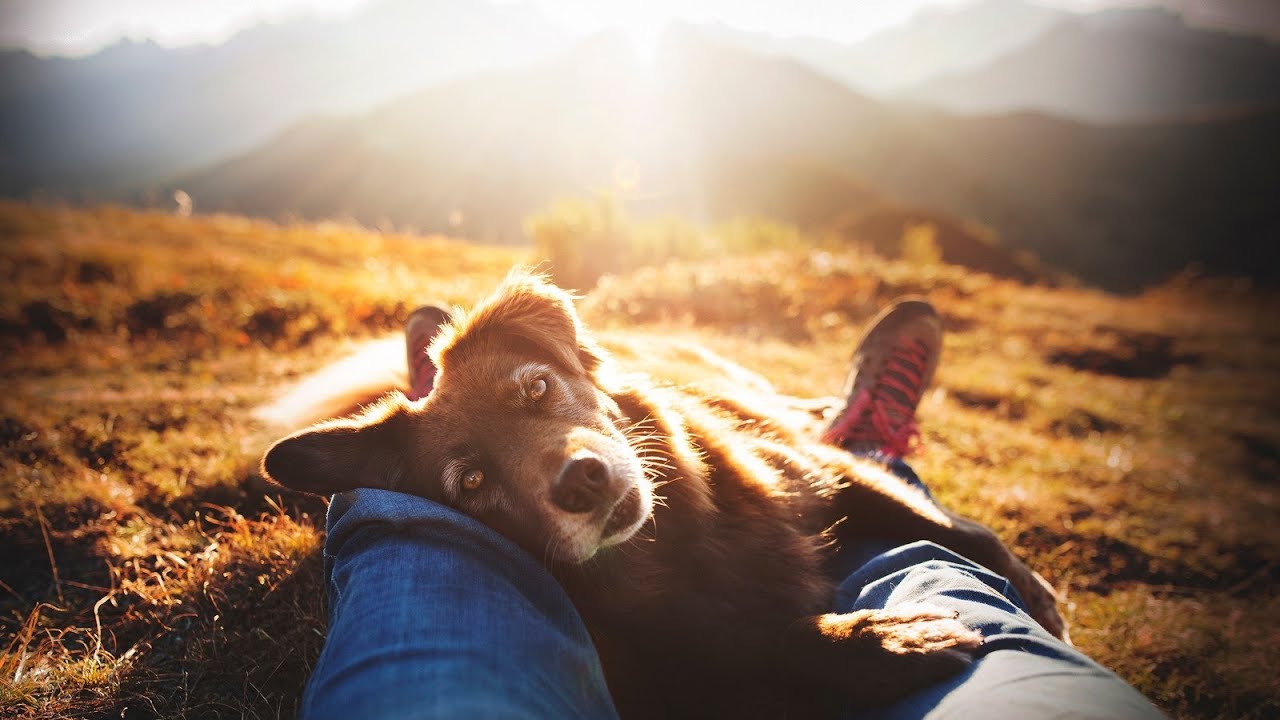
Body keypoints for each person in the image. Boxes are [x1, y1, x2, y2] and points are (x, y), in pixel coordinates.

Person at [299, 301, 1164, 719]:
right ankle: (872, 442)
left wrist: (975, 540)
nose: (570, 471)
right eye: (477, 481)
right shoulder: (582, 632)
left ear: (571, 358)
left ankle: (866, 444)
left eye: (538, 390)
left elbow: (804, 478)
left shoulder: (681, 437)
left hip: (749, 474)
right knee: (412, 529)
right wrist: (809, 654)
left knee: (848, 488)